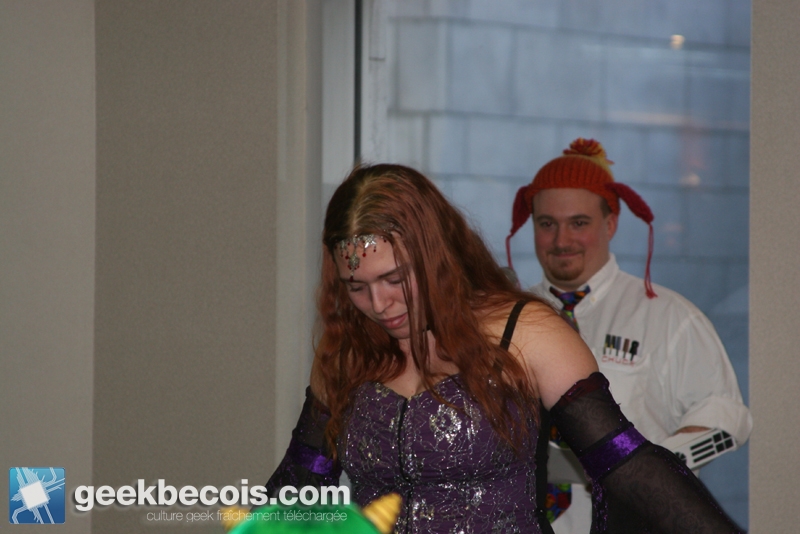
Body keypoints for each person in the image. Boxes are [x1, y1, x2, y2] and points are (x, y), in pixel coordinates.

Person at [264, 163, 744, 533]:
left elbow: (626, 463)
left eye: (395, 279)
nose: (378, 304)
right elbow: (301, 483)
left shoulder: (525, 331)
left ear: (435, 256)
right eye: (357, 287)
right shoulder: (346, 352)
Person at [506, 139, 752, 532]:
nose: (562, 240)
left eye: (579, 223)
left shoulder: (669, 317)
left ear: (611, 224)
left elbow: (725, 419)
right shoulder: (507, 320)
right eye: (547, 224)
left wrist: (636, 476)